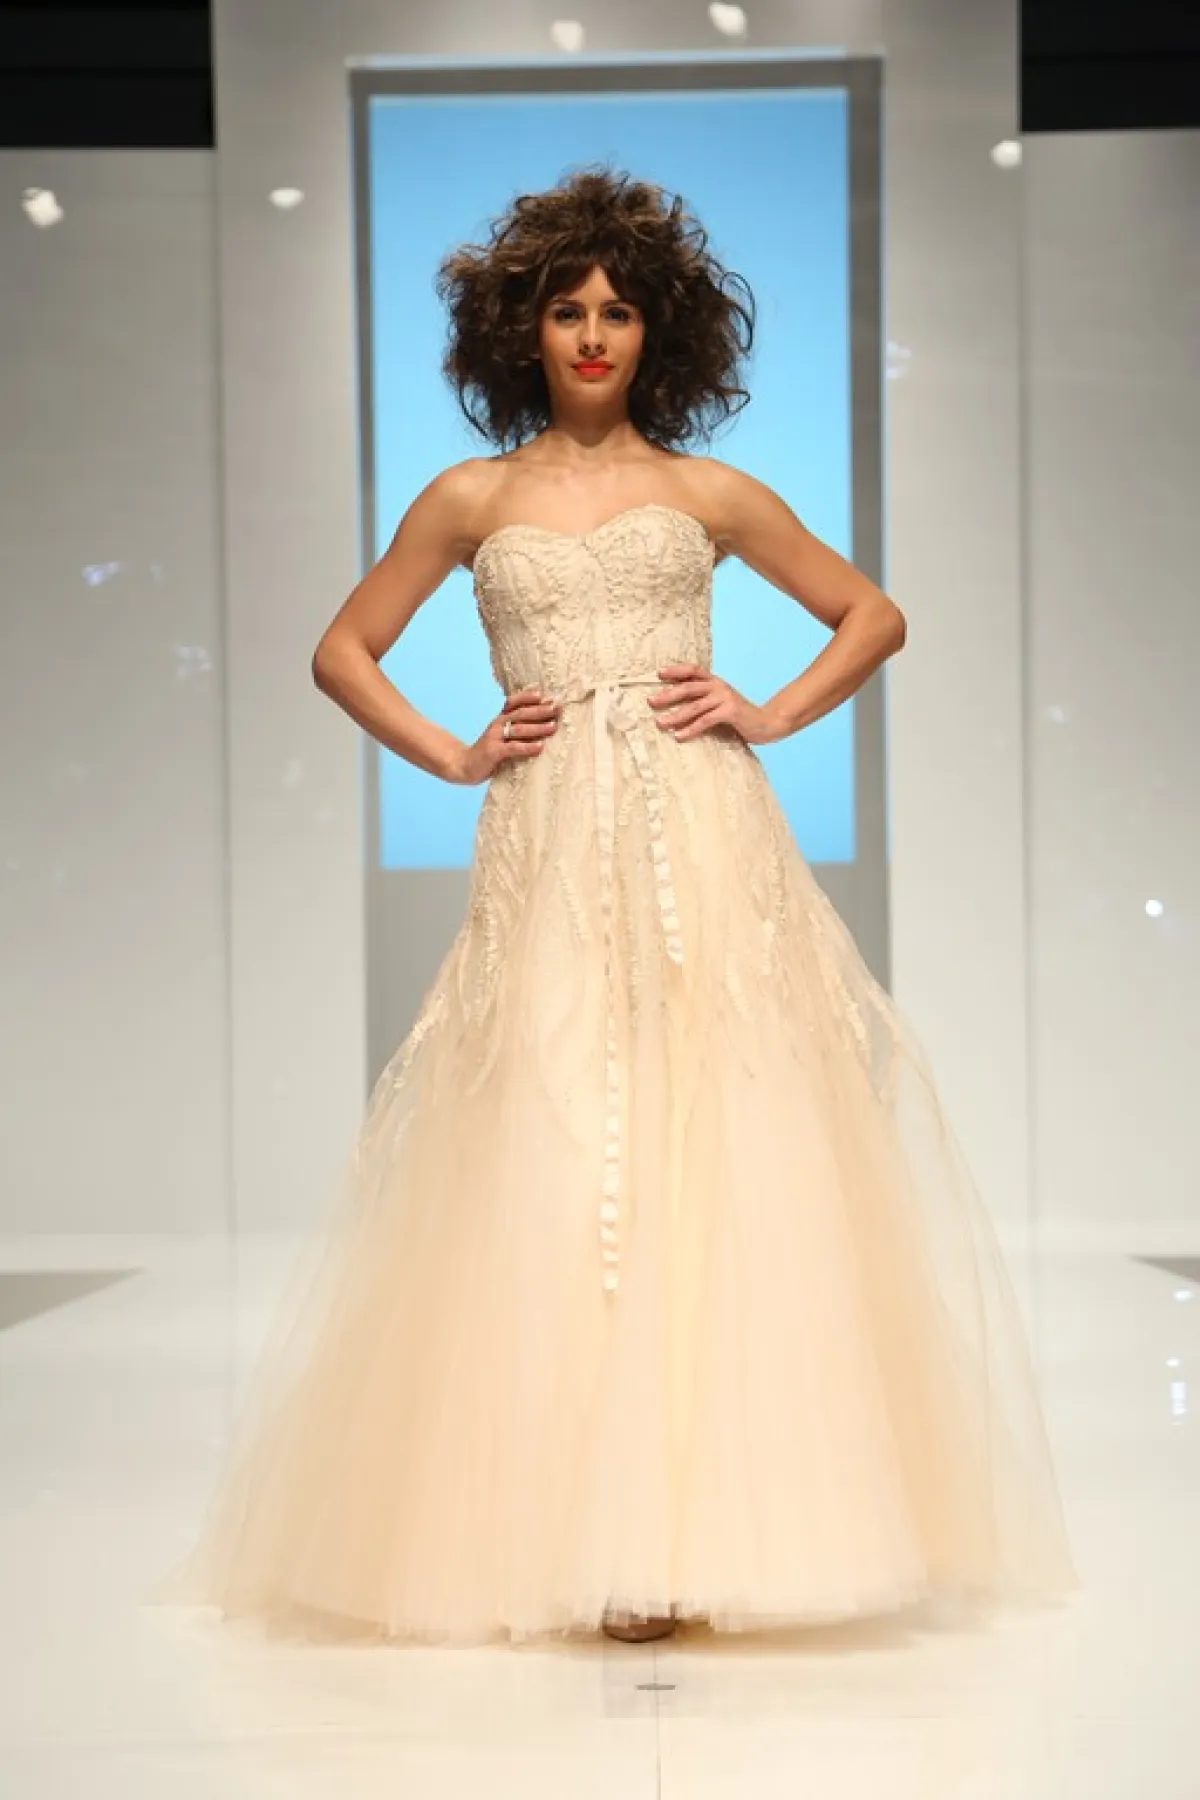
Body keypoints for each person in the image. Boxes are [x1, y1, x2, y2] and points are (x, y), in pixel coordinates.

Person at [158, 166, 1078, 1648]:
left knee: (724, 1133)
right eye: (567, 311)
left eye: (620, 311)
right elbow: (341, 649)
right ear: (520, 331)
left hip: (701, 831)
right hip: (541, 843)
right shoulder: (469, 498)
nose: (593, 335)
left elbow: (875, 612)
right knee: (545, 1128)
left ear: (661, 332)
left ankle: (702, 1532)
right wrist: (455, 753)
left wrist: (769, 713)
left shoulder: (706, 493)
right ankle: (567, 1530)